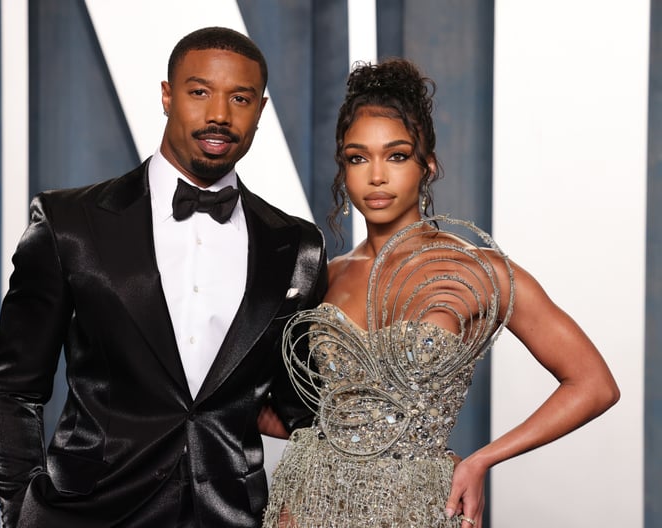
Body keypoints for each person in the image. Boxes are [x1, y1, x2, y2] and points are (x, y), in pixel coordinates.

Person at [0, 26, 327, 528]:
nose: (219, 115)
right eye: (199, 92)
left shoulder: (298, 246)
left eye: (240, 98)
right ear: (167, 96)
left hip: (230, 516)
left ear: (261, 109)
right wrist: (19, 513)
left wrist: (413, 457)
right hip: (87, 513)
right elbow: (14, 389)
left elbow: (301, 407)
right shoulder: (69, 223)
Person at [262, 58, 619, 528]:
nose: (376, 176)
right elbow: (271, 402)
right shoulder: (326, 275)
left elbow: (594, 385)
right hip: (308, 500)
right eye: (357, 157)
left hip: (418, 506)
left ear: (427, 164)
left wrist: (480, 461)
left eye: (396, 155)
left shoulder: (477, 270)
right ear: (343, 169)